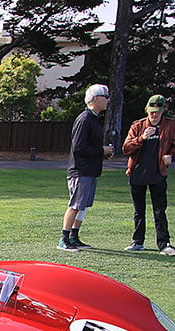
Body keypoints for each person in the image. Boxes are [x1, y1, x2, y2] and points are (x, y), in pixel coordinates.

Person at [121, 94, 175, 256]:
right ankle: (138, 241)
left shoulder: (171, 125)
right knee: (138, 210)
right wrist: (141, 138)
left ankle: (164, 244)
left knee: (159, 210)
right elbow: (126, 148)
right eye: (151, 111)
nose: (154, 115)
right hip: (137, 174)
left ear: (163, 110)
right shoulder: (138, 125)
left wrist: (172, 156)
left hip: (158, 173)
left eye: (157, 111)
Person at [60, 84, 113, 251]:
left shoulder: (95, 120)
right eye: (105, 97)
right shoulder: (84, 119)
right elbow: (79, 147)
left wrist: (103, 153)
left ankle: (74, 237)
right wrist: (101, 150)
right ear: (95, 99)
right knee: (75, 204)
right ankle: (64, 239)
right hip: (80, 172)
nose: (107, 100)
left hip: (90, 171)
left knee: (83, 206)